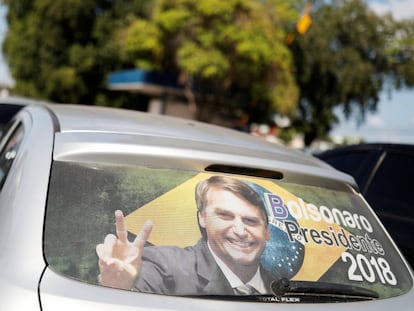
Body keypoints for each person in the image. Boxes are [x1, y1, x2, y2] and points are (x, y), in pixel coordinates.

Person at [96, 175, 272, 295]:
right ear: (202, 218)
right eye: (225, 216)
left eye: (251, 221)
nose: (240, 232)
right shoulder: (165, 265)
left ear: (267, 231)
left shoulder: (286, 287)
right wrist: (120, 287)